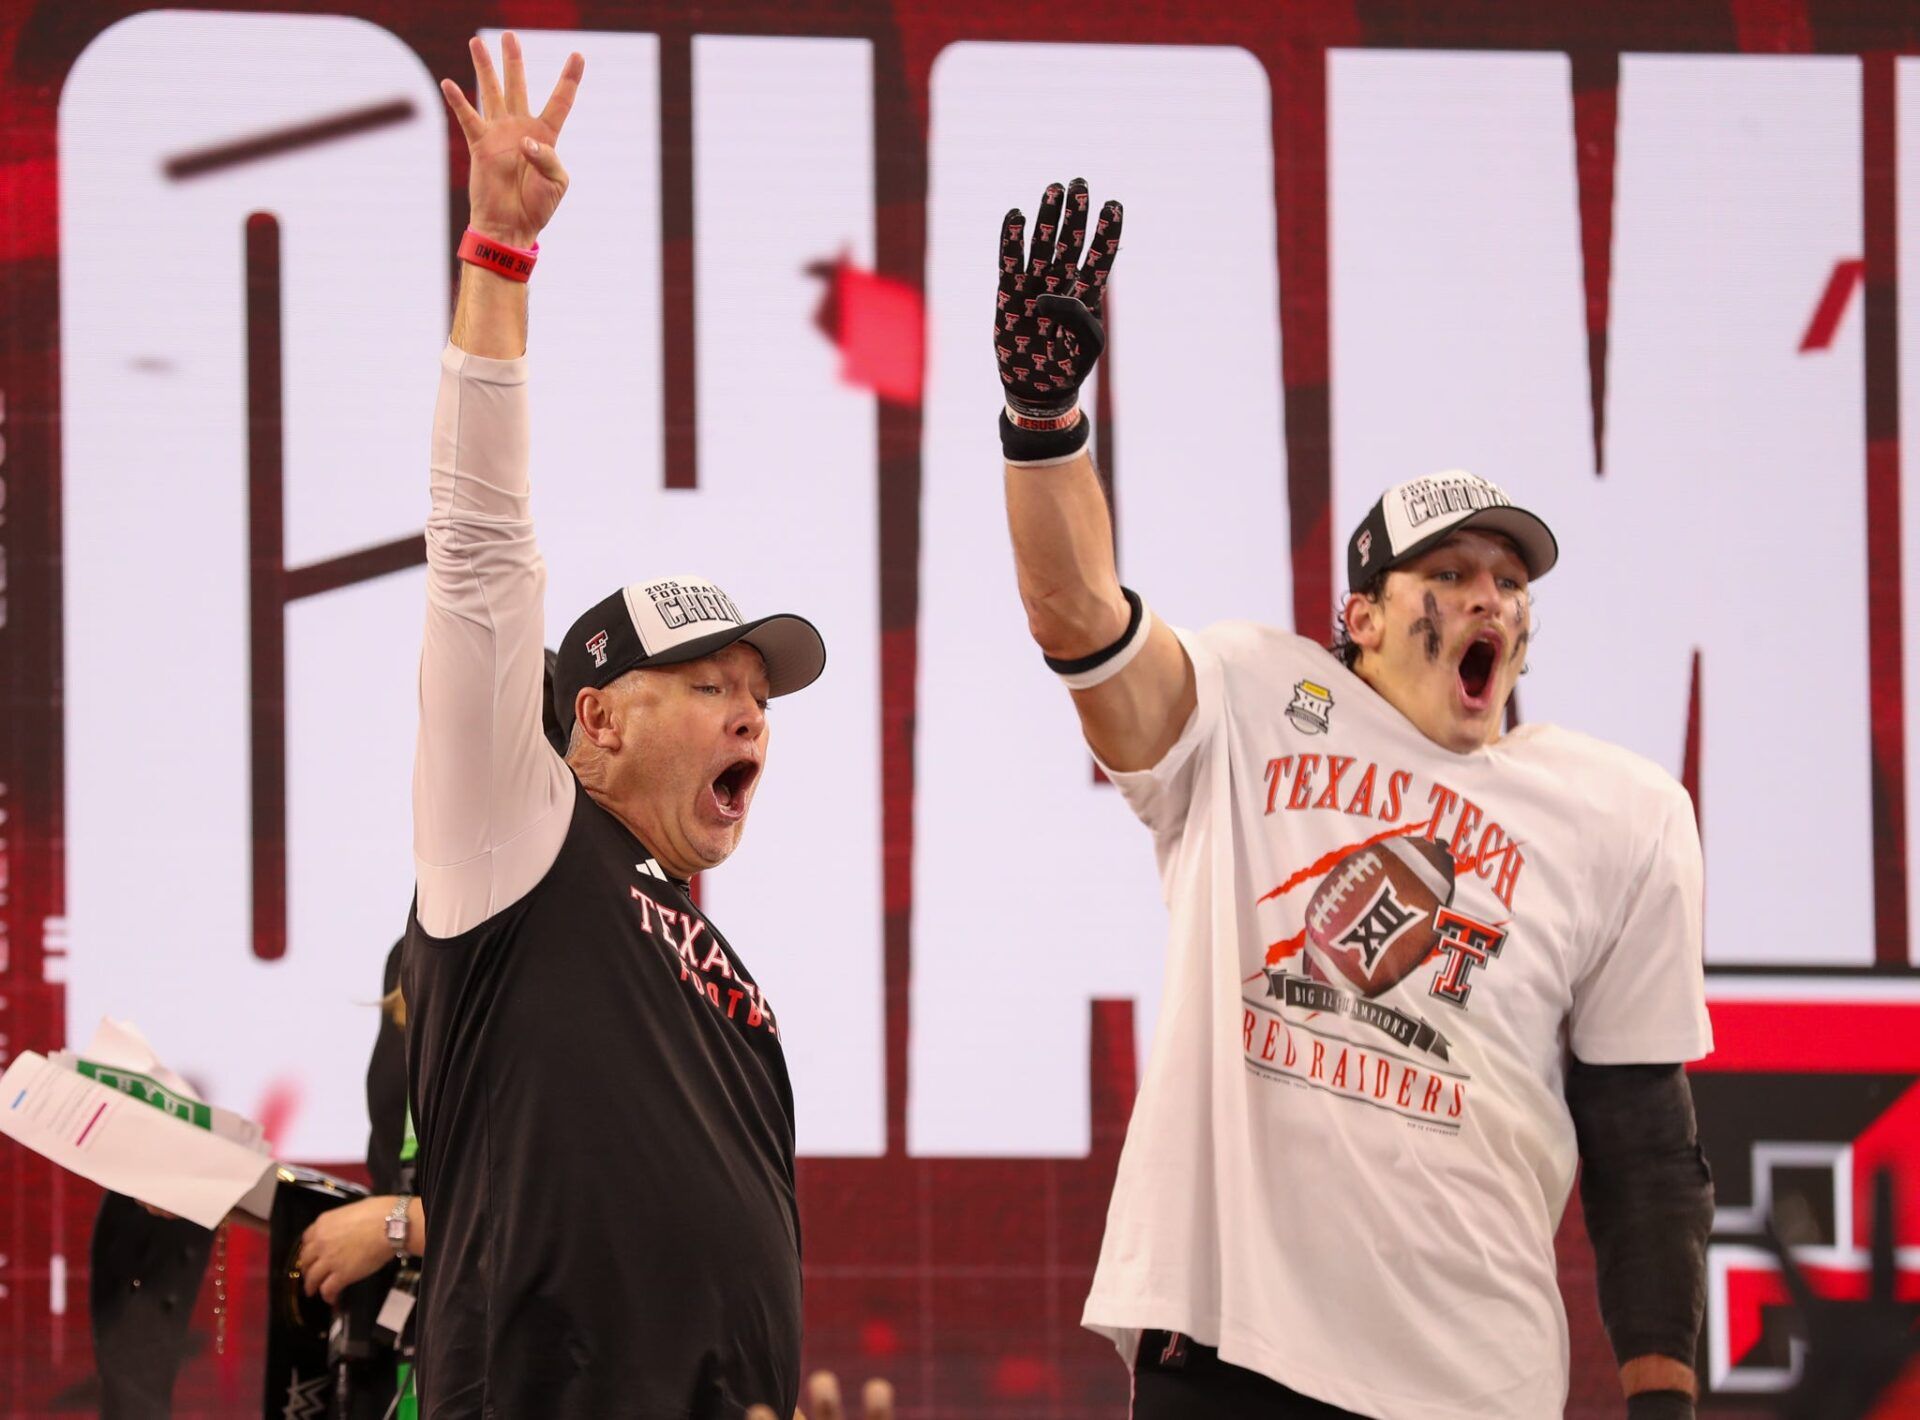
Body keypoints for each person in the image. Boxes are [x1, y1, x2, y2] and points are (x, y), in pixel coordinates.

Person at [993, 180, 1714, 1419]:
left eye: (1509, 578)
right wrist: (1045, 419)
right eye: (1451, 571)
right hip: (1232, 1348)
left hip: (1474, 1380)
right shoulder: (1250, 700)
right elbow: (1077, 613)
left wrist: (1663, 1393)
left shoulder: (1623, 812)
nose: (1490, 598)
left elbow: (1646, 1140)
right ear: (1365, 616)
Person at [402, 35, 825, 1419]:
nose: (750, 714)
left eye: (761, 699)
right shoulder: (513, 841)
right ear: (594, 717)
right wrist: (499, 257)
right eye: (712, 686)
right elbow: (477, 553)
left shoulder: (734, 989)